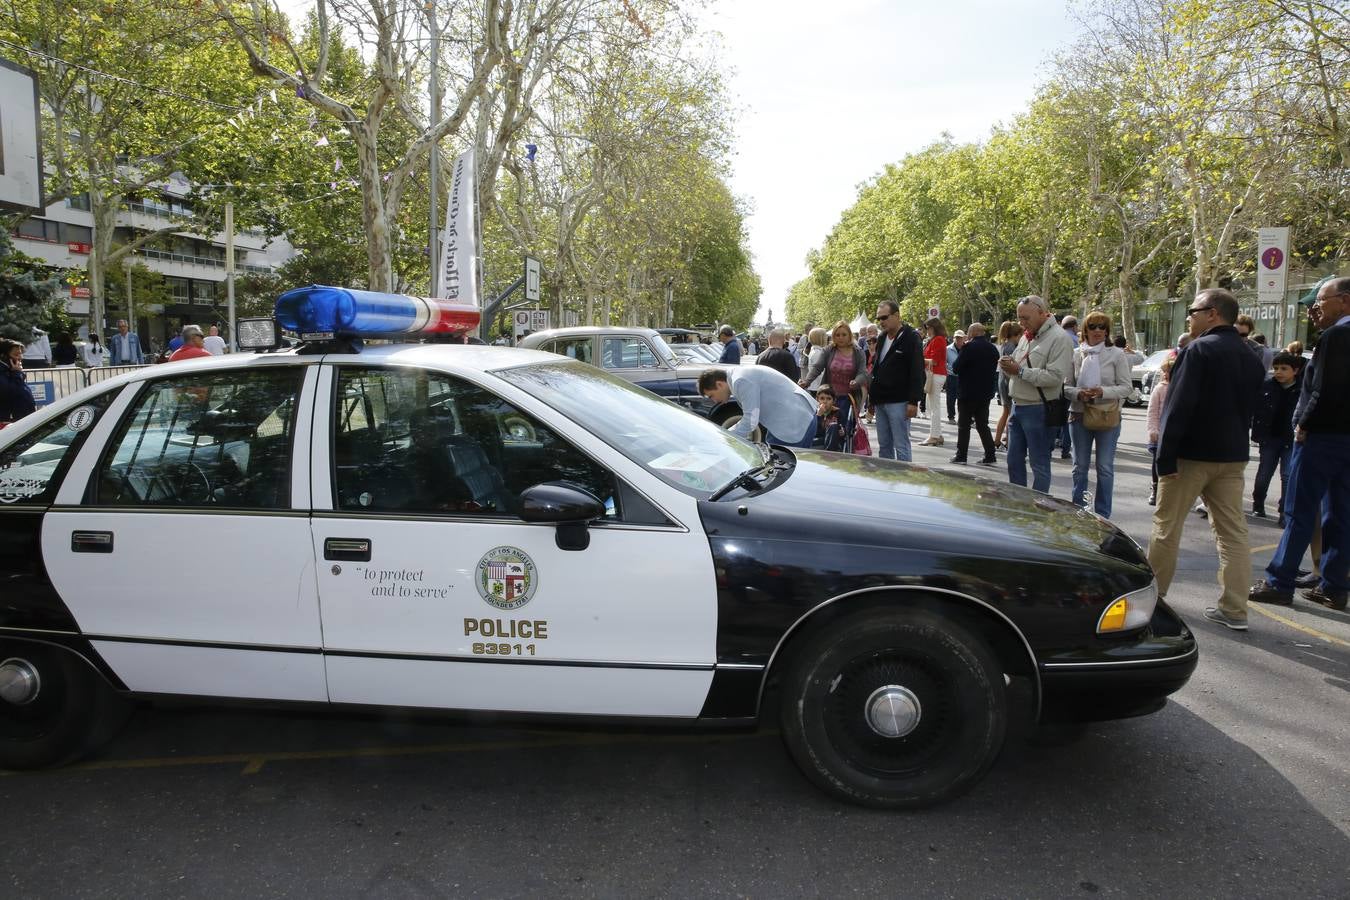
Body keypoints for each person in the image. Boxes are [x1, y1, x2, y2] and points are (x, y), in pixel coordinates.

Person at [1148, 288, 1266, 631]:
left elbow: (1178, 407)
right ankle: (1235, 608)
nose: (1190, 316)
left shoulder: (1198, 350)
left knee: (1166, 528)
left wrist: (1164, 459)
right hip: (1232, 455)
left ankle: (1153, 602)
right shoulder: (1250, 355)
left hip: (1191, 455)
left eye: (1194, 310)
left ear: (1212, 313)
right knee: (1233, 534)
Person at [1250, 276, 1350, 611]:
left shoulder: (1336, 336)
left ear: (1345, 301)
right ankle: (1334, 586)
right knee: (1340, 513)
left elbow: (1323, 387)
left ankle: (1280, 581)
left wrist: (1303, 423)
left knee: (1300, 511)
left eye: (1321, 300)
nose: (1315, 308)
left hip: (1322, 437)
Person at [999, 296, 1074, 494]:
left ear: (1042, 312)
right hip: (1018, 406)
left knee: (1039, 464)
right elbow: (1017, 366)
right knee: (1013, 461)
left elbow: (1055, 377)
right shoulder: (1026, 336)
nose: (1021, 323)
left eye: (1025, 318)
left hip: (1039, 408)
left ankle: (1037, 508)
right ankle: (1018, 505)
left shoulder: (1060, 338)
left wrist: (1020, 371)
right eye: (1019, 318)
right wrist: (1007, 366)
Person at [1064, 310, 1133, 518]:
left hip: (1107, 415)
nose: (1097, 330)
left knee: (1104, 467)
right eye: (1093, 326)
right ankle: (1080, 510)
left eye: (1102, 326)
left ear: (1107, 331)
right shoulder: (1077, 354)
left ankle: (1103, 515)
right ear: (1085, 329)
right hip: (1079, 415)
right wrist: (1079, 394)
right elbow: (1066, 387)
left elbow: (1126, 388)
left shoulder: (1116, 354)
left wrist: (1103, 391)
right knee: (1079, 467)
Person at [698, 366, 816, 448]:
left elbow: (751, 420)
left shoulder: (740, 380)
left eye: (712, 395)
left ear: (719, 384)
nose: (714, 401)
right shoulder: (738, 375)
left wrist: (724, 438)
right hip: (798, 419)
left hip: (795, 425)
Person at [1249, 352, 1303, 523]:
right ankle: (1258, 504)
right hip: (1269, 438)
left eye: (1284, 369)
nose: (1278, 372)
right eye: (1276, 368)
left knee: (1287, 475)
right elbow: (1256, 411)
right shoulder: (1267, 386)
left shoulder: (1301, 390)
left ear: (1295, 371)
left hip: (1290, 439)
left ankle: (1284, 513)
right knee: (1264, 473)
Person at [869, 300, 924, 461]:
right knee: (884, 446)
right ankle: (885, 482)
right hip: (881, 401)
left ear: (897, 315)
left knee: (901, 446)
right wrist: (872, 400)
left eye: (884, 317)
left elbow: (917, 370)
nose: (881, 322)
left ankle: (905, 484)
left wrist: (914, 401)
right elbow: (877, 369)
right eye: (879, 319)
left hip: (900, 401)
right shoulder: (881, 337)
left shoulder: (911, 337)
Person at [949, 323, 999, 466]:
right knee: (982, 424)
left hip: (968, 392)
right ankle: (990, 455)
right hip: (985, 392)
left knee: (964, 425)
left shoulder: (968, 348)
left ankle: (961, 455)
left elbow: (956, 367)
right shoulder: (992, 348)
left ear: (973, 332)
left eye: (968, 332)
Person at [800, 320, 869, 418]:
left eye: (844, 335)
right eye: (837, 335)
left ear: (849, 335)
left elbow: (863, 372)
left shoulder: (858, 352)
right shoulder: (828, 350)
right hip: (828, 399)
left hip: (848, 399)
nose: (841, 338)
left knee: (844, 430)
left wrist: (856, 381)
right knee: (827, 427)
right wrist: (807, 381)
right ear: (833, 336)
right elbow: (817, 368)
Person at [1145, 353, 1176, 506]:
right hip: (1159, 433)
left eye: (1169, 370)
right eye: (1164, 370)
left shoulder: (1180, 388)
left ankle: (1171, 491)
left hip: (1175, 434)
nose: (1166, 373)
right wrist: (1152, 430)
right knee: (1157, 462)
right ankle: (1155, 488)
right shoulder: (1159, 388)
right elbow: (1152, 410)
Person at [993, 321, 1023, 449]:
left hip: (1002, 381)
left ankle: (998, 440)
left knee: (1006, 412)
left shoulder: (1005, 345)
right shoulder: (1012, 347)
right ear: (1016, 335)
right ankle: (1008, 441)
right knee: (1010, 414)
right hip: (1007, 382)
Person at [921, 317, 948, 446]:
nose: (927, 330)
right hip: (935, 374)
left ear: (934, 328)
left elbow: (934, 361)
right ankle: (938, 434)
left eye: (928, 328)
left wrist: (919, 359)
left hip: (936, 374)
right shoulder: (936, 340)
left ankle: (934, 436)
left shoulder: (938, 340)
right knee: (932, 406)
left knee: (934, 407)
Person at [0, 338, 37, 425]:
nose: (20, 357)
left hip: (23, 419)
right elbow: (9, 392)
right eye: (16, 354)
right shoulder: (5, 372)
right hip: (9, 423)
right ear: (4, 356)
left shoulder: (12, 371)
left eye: (21, 354)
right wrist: (17, 373)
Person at [945, 330, 966, 422]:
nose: (958, 339)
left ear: (964, 338)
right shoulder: (947, 349)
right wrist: (948, 369)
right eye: (956, 337)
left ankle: (961, 417)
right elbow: (944, 362)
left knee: (962, 399)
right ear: (954, 338)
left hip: (963, 377)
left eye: (960, 338)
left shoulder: (967, 348)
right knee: (950, 398)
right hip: (951, 376)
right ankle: (951, 416)